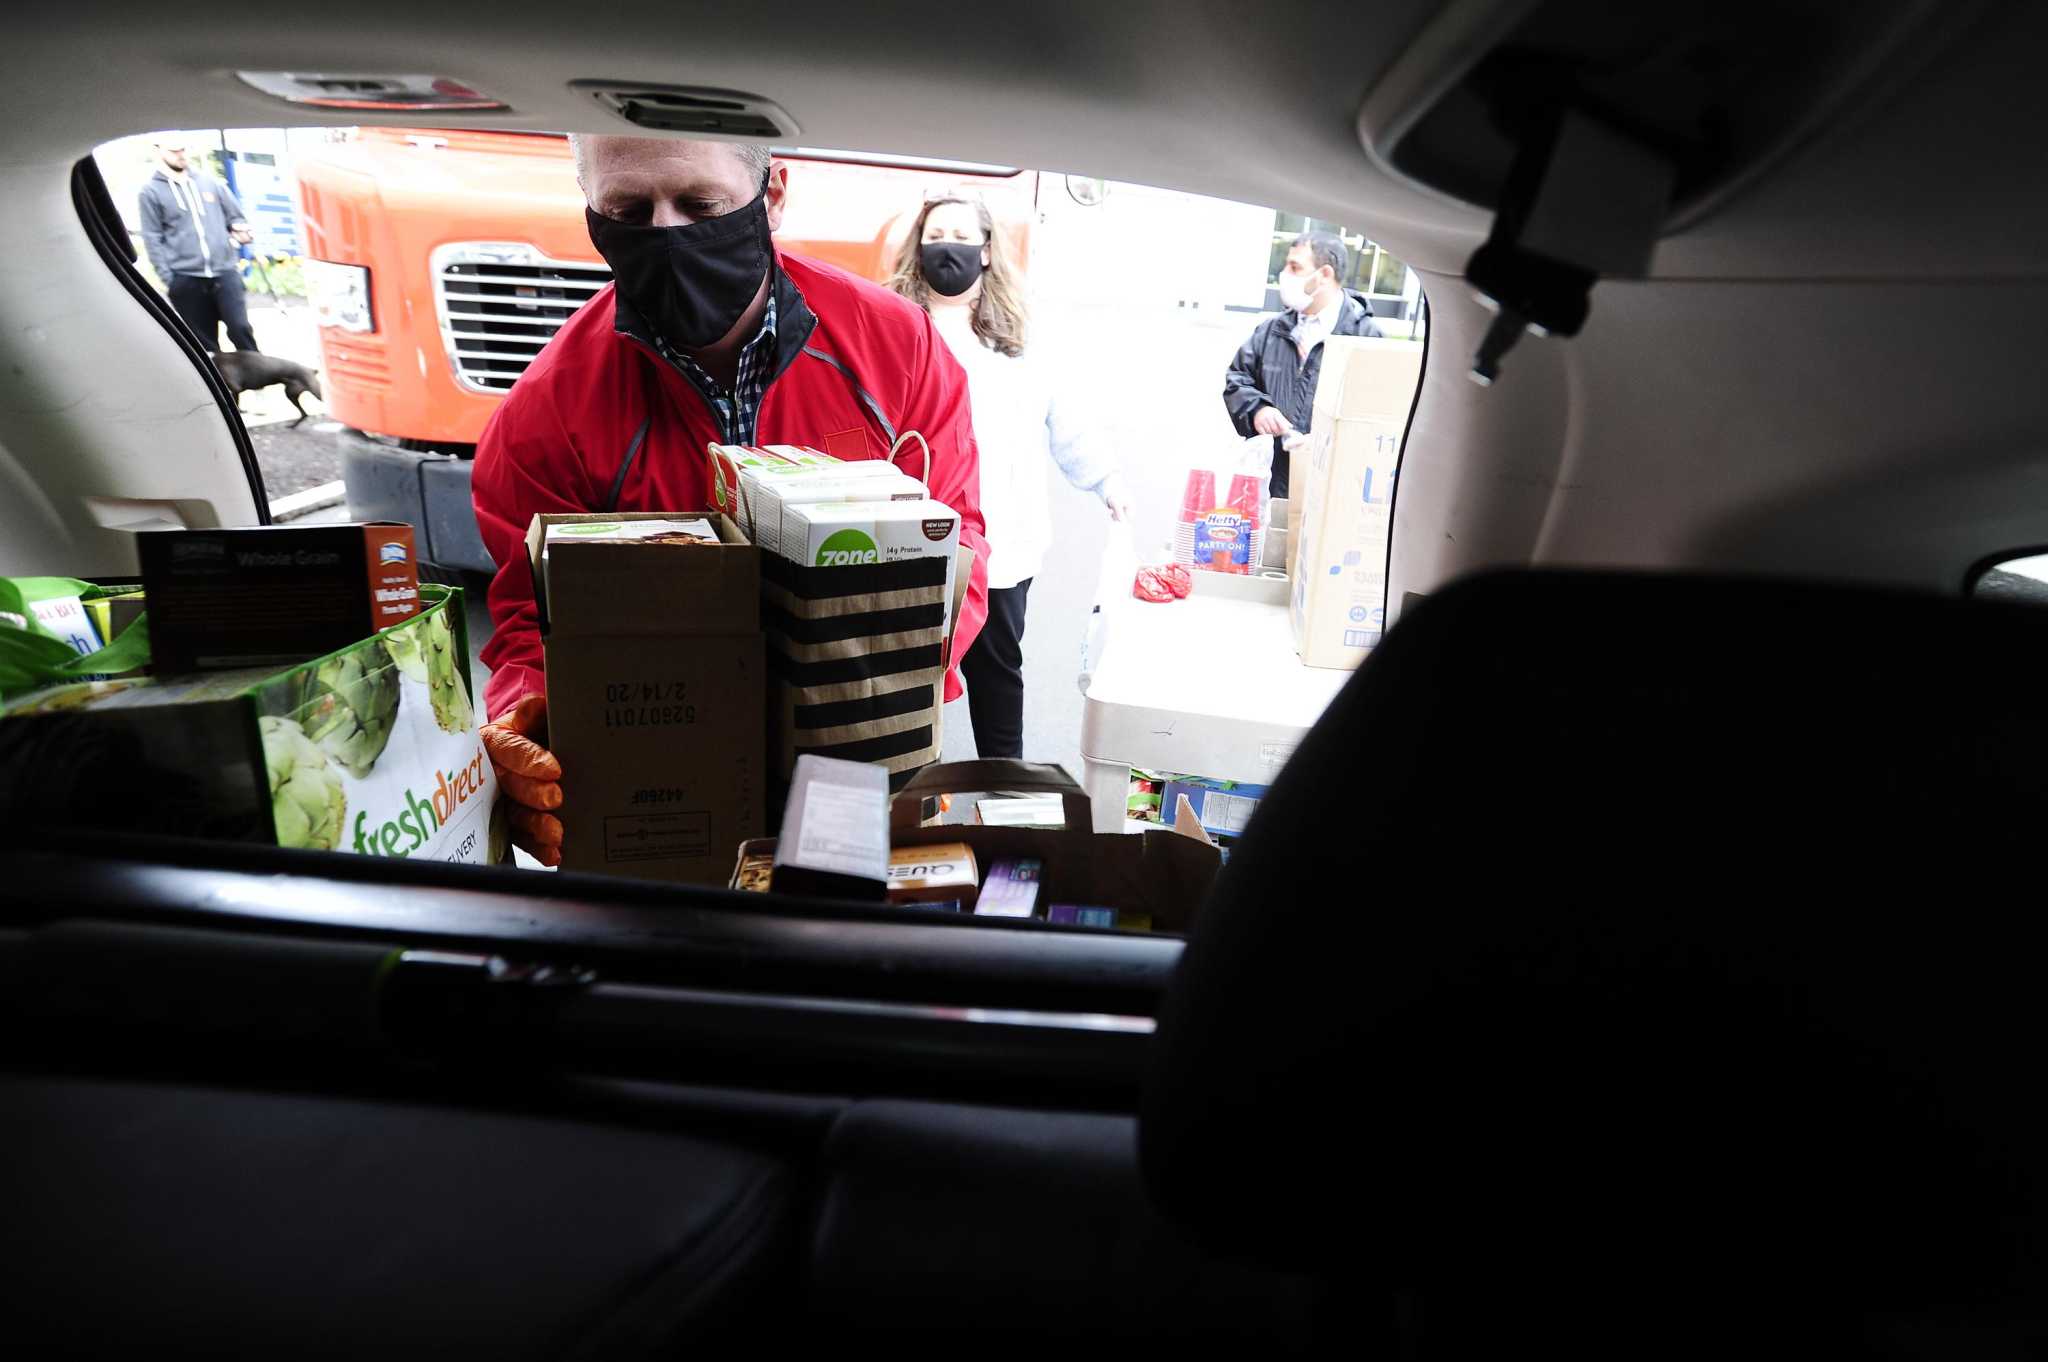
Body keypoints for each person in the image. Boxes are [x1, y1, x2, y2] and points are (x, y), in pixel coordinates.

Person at [472, 136, 990, 866]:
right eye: (627, 208)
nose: (666, 233)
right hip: (663, 779)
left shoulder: (898, 349)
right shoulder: (545, 414)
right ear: (590, 208)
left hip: (859, 753)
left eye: (700, 204)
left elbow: (957, 540)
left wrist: (876, 677)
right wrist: (525, 720)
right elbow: (533, 619)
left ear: (771, 197)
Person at [885, 194, 1126, 760]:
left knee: (997, 674)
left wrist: (1108, 481)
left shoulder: (1018, 341)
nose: (949, 248)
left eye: (962, 237)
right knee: (906, 676)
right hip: (910, 536)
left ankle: (1006, 791)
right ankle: (910, 791)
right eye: (936, 234)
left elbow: (1067, 422)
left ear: (987, 252)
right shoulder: (892, 325)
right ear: (918, 247)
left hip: (1001, 543)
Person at [1221, 231, 1382, 497]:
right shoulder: (1271, 331)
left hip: (1333, 489)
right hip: (1270, 485)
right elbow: (1238, 379)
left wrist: (1326, 443)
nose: (1284, 274)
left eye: (1295, 267)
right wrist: (1258, 409)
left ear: (1325, 275)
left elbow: (1378, 415)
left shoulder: (1366, 338)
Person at [137, 138, 258, 354]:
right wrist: (169, 277)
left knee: (240, 328)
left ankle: (259, 380)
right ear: (158, 150)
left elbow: (236, 218)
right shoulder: (150, 192)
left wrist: (242, 230)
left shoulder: (210, 183)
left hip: (224, 272)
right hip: (186, 278)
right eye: (174, 150)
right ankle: (223, 387)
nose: (181, 154)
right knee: (205, 344)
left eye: (183, 149)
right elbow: (152, 237)